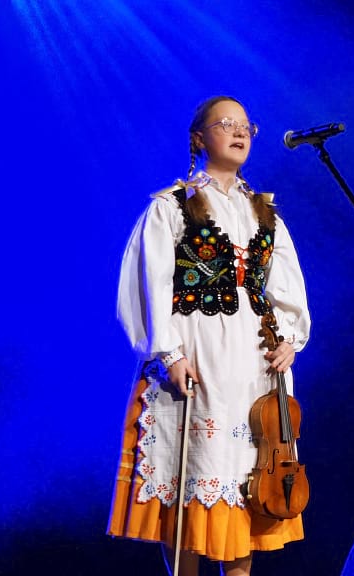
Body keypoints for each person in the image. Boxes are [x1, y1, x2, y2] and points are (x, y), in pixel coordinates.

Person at [107, 95, 311, 576]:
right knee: (194, 472)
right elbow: (149, 282)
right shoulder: (172, 206)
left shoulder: (265, 213)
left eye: (247, 126)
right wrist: (169, 352)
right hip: (198, 351)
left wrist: (291, 338)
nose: (240, 132)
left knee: (248, 476)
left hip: (254, 360)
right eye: (226, 124)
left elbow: (287, 287)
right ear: (199, 138)